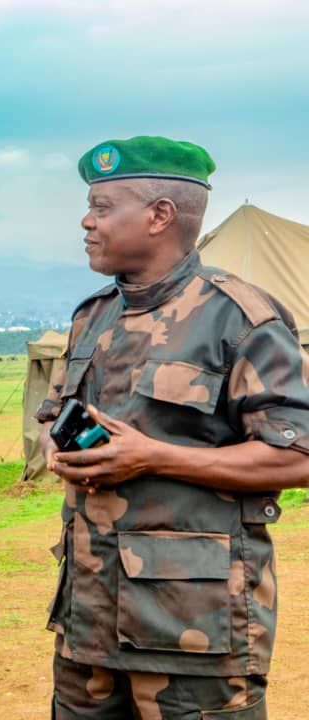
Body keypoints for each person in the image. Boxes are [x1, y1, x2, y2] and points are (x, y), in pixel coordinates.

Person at [37, 136, 309, 718]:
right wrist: (58, 446)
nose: (87, 222)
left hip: (193, 634)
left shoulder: (239, 318)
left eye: (103, 207)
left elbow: (298, 456)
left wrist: (155, 458)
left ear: (160, 215)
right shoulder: (93, 316)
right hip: (88, 625)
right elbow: (52, 414)